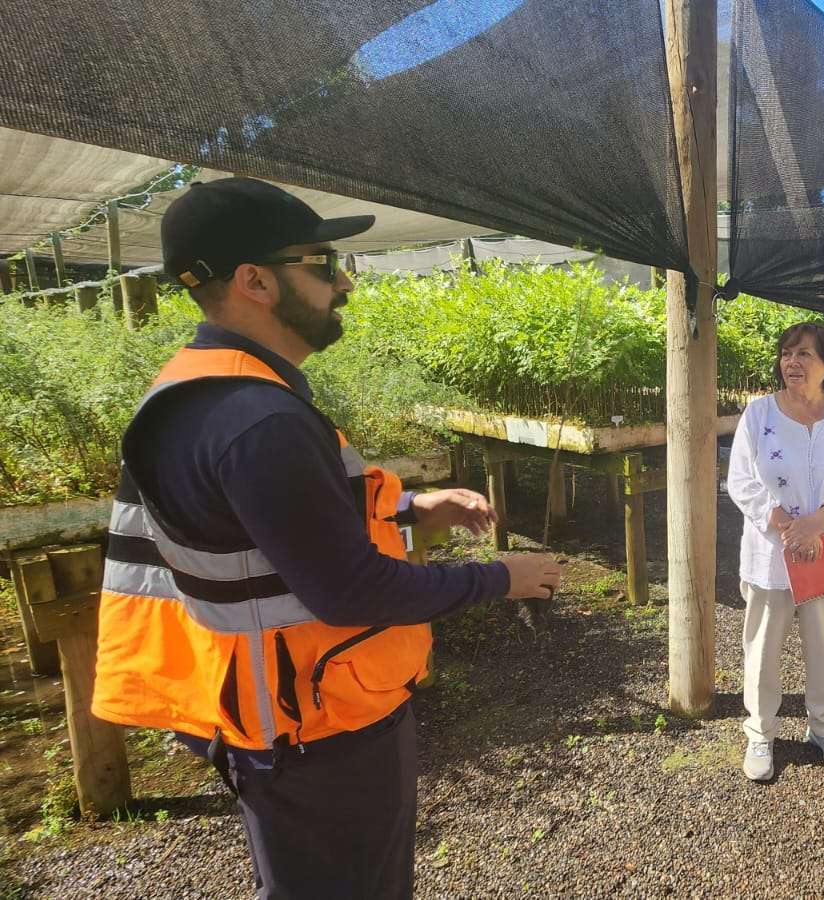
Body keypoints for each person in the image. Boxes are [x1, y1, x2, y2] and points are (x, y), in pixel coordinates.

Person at [90, 177, 564, 899]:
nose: (343, 283)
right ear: (254, 281)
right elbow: (350, 590)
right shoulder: (260, 421)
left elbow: (272, 525)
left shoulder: (206, 390)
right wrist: (503, 578)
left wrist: (411, 508)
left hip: (264, 711)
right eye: (322, 263)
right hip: (313, 727)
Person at [726, 323, 824, 781]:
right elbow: (741, 480)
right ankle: (760, 731)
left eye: (804, 354)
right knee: (762, 646)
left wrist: (820, 522)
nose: (792, 362)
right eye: (787, 353)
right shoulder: (759, 414)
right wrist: (787, 525)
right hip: (770, 553)